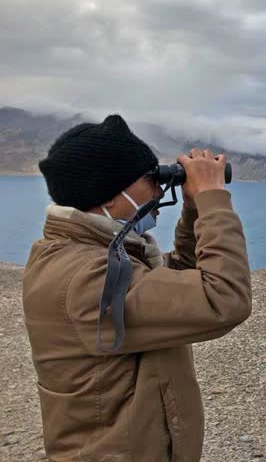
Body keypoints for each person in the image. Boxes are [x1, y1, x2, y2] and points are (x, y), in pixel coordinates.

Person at [23, 114, 252, 461]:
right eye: (150, 181)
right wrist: (212, 198)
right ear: (111, 196)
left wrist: (192, 212)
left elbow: (174, 290)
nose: (160, 191)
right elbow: (224, 299)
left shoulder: (85, 256)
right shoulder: (87, 276)